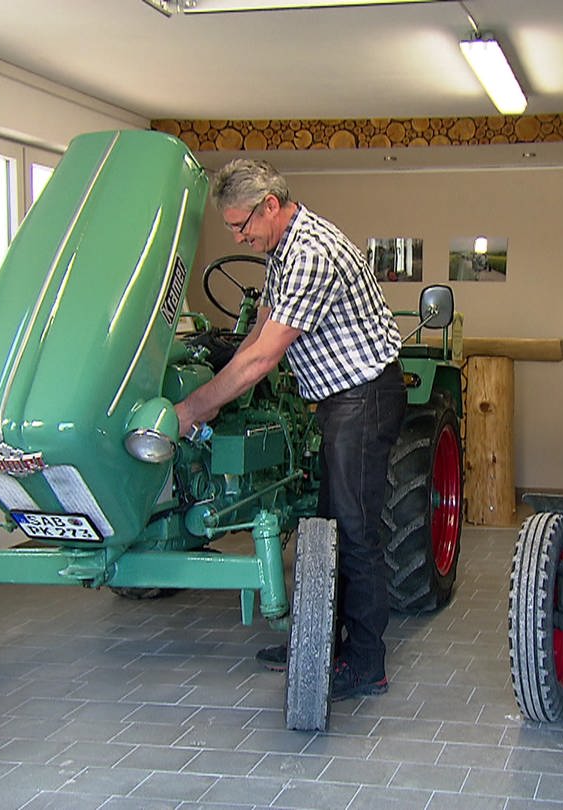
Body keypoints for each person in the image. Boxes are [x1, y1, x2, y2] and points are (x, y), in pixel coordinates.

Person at [174, 158, 405, 701]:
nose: (238, 236)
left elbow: (264, 360)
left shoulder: (310, 254)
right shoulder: (282, 249)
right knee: (324, 526)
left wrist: (193, 409)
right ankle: (317, 643)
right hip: (336, 400)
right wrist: (224, 361)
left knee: (354, 533)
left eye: (241, 225)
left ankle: (367, 664)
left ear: (270, 205)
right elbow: (260, 330)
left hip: (363, 397)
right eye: (231, 228)